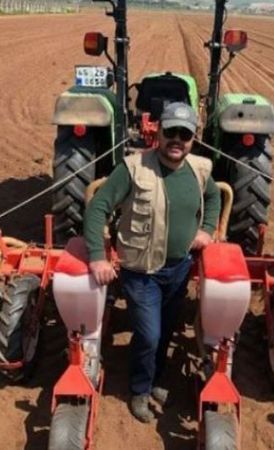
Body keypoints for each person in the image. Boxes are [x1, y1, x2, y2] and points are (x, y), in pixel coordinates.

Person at [84, 102, 221, 422]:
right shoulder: (132, 167)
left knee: (168, 329)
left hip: (179, 268)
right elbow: (98, 208)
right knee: (149, 334)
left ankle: (157, 378)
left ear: (193, 138)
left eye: (184, 134)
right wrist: (96, 257)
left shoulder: (200, 169)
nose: (177, 139)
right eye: (170, 131)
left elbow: (213, 197)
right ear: (157, 132)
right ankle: (140, 390)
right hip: (140, 271)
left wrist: (208, 229)